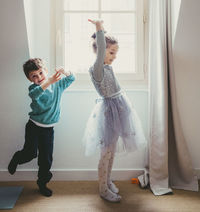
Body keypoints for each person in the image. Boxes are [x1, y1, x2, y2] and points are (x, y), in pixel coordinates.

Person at [83, 19, 146, 203]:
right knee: (106, 153)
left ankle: (108, 180)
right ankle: (102, 189)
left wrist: (104, 33)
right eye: (112, 52)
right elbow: (102, 47)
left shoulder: (107, 66)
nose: (114, 56)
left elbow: (104, 48)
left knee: (112, 152)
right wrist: (99, 29)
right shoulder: (97, 69)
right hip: (109, 114)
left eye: (115, 53)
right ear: (100, 51)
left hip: (118, 110)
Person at [8, 58, 75, 197]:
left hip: (48, 130)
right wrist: (48, 82)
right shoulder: (34, 88)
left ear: (46, 71)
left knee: (46, 159)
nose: (39, 77)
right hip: (34, 127)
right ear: (29, 79)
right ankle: (17, 158)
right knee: (30, 154)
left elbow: (71, 78)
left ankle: (42, 183)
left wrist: (65, 72)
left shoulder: (58, 86)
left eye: (40, 73)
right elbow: (34, 94)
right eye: (34, 76)